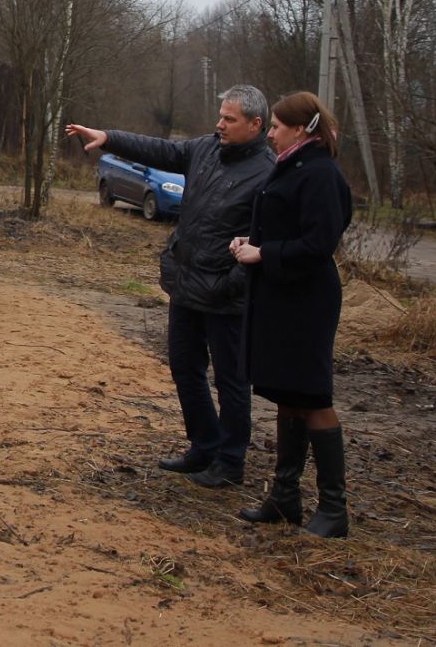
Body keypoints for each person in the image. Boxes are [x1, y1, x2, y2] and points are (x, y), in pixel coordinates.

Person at [66, 85, 274, 488]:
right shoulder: (207, 149)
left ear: (256, 124)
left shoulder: (267, 171)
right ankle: (204, 445)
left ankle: (230, 462)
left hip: (227, 297)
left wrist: (231, 283)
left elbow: (263, 240)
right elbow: (161, 150)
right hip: (187, 283)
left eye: (229, 119)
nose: (220, 124)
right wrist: (110, 138)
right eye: (220, 115)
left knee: (231, 380)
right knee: (184, 367)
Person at [230, 91, 353, 538]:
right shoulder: (295, 166)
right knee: (288, 393)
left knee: (314, 397)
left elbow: (320, 245)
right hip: (282, 295)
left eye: (278, 127)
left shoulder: (321, 173)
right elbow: (286, 225)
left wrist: (266, 253)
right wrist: (249, 243)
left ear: (301, 129)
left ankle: (334, 510)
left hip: (307, 301)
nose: (273, 133)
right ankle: (285, 498)